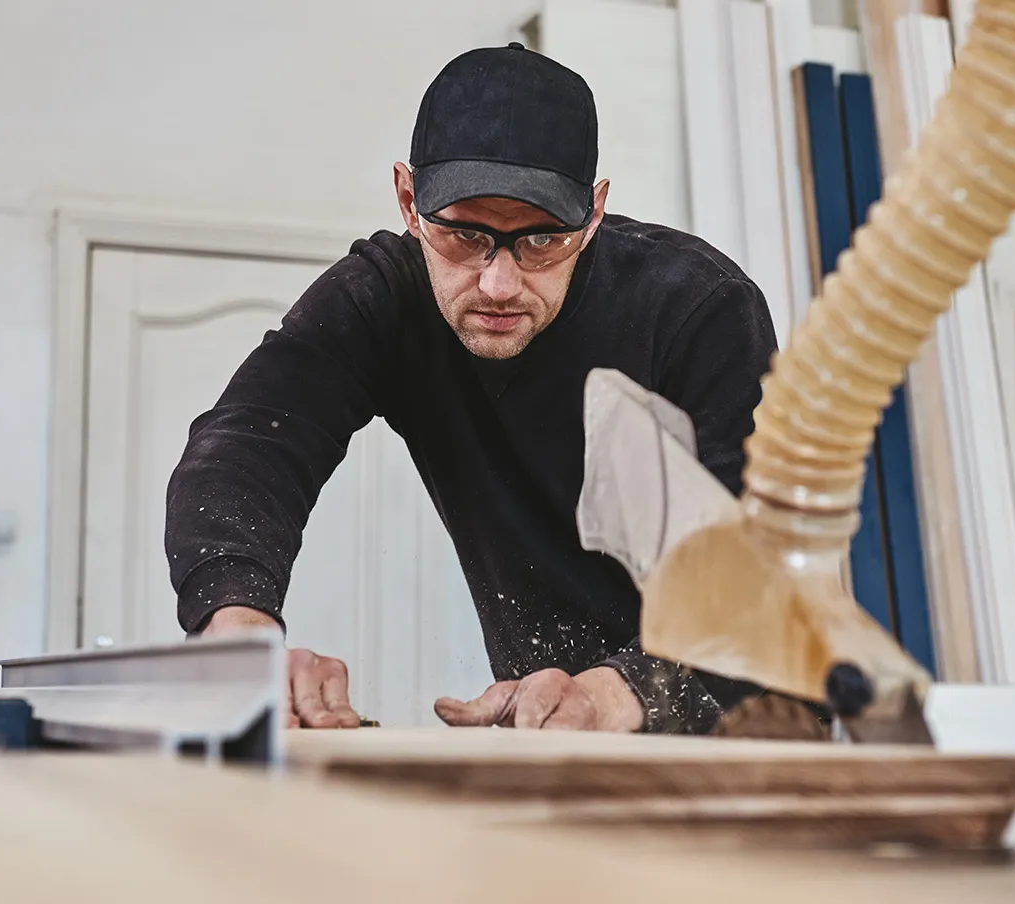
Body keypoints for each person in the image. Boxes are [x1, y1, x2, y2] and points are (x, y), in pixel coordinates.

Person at [165, 42, 777, 734]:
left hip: (733, 726)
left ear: (596, 212)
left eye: (543, 241)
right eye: (463, 236)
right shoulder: (386, 298)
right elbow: (248, 445)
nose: (498, 283)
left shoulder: (697, 310)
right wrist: (240, 633)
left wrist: (613, 694)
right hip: (545, 738)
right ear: (407, 199)